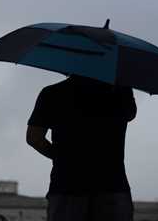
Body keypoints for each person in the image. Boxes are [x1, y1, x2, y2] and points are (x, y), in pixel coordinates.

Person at [26, 75, 137, 221]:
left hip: (67, 184)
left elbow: (34, 138)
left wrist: (62, 157)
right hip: (112, 184)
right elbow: (130, 114)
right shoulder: (120, 92)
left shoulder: (52, 93)